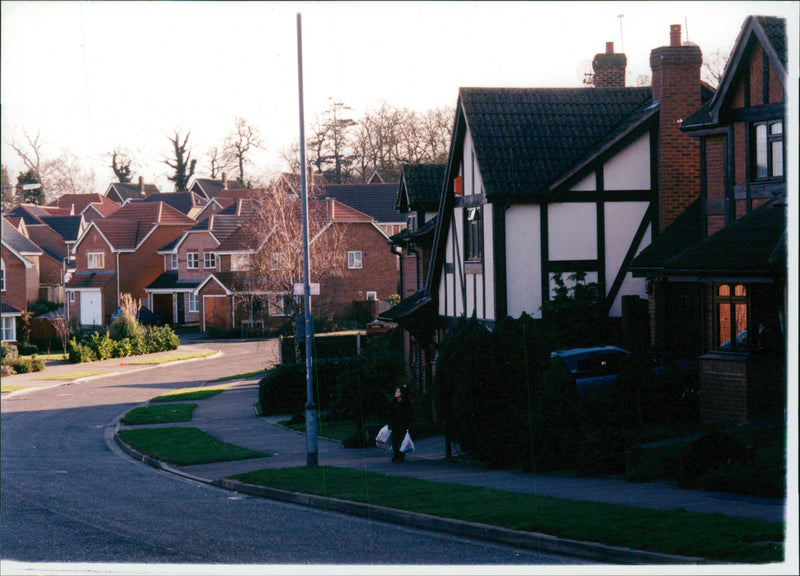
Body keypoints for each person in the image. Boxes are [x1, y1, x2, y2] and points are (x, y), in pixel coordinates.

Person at [387, 386, 413, 462]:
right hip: (397, 423)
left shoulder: (402, 401)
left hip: (401, 423)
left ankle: (399, 455)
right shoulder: (395, 400)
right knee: (396, 439)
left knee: (400, 439)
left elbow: (407, 413)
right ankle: (397, 455)